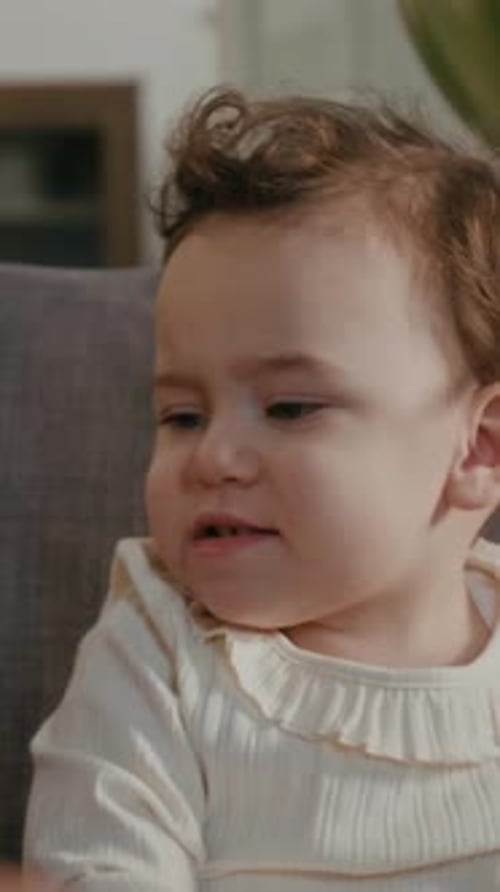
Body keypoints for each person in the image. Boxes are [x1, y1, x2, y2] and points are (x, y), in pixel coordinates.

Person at [24, 88, 500, 889]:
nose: (215, 456)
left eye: (289, 407)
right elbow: (94, 867)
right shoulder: (161, 649)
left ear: (478, 448)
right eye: (181, 415)